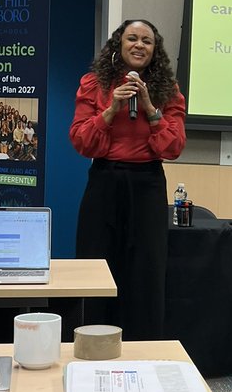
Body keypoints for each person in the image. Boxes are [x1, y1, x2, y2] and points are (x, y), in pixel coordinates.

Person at [70, 19, 186, 339]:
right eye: (132, 38)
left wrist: (150, 108)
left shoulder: (168, 91)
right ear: (119, 45)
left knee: (146, 272)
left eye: (146, 41)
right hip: (105, 180)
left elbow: (173, 147)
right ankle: (92, 342)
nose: (139, 45)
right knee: (96, 265)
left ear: (154, 50)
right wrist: (111, 109)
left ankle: (143, 347)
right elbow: (82, 142)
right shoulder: (94, 84)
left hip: (147, 184)